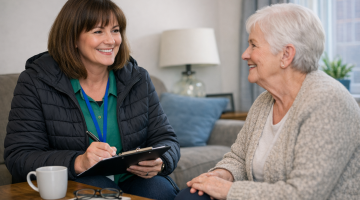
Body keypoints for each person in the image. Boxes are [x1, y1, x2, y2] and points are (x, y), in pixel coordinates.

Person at [176, 3, 360, 200]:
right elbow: (239, 157)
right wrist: (223, 174)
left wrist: (229, 190)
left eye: (254, 45)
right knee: (192, 196)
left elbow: (305, 194)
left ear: (286, 55)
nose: (245, 54)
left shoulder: (328, 102)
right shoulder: (265, 101)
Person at [4, 0, 180, 199]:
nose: (111, 40)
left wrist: (161, 161)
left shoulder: (138, 78)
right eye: (98, 32)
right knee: (99, 189)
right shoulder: (35, 81)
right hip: (75, 179)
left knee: (159, 190)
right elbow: (19, 156)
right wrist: (78, 161)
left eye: (115, 30)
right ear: (72, 39)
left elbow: (166, 138)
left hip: (129, 177)